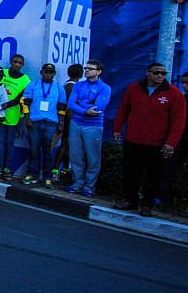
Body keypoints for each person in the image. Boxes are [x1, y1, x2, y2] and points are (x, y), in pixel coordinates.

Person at [113, 63, 185, 216]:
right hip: (133, 140)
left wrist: (171, 144)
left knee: (154, 176)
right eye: (156, 72)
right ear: (147, 73)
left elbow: (178, 121)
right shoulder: (133, 88)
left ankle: (147, 205)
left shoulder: (174, 93)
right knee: (131, 172)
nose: (160, 76)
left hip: (157, 143)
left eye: (163, 73)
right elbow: (124, 109)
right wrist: (117, 129)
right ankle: (130, 200)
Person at [65, 59, 111, 197]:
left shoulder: (105, 88)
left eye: (90, 69)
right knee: (75, 155)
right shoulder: (78, 85)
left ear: (99, 71)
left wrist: (80, 103)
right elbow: (71, 104)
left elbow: (98, 107)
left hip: (93, 125)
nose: (87, 71)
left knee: (93, 157)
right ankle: (78, 182)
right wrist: (85, 109)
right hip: (76, 123)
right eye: (86, 68)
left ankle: (90, 185)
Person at [21, 63, 67, 186]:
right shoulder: (33, 85)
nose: (48, 74)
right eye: (46, 72)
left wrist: (61, 123)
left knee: (48, 152)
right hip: (34, 123)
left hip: (51, 124)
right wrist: (27, 120)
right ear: (41, 72)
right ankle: (32, 174)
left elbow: (62, 107)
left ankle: (47, 177)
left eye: (51, 72)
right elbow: (25, 103)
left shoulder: (59, 88)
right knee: (34, 150)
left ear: (54, 74)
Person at [0, 55, 30, 179]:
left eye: (20, 63)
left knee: (9, 142)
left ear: (22, 65)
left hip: (13, 114)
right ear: (10, 62)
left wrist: (7, 104)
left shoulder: (25, 79)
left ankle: (7, 168)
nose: (17, 64)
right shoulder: (2, 72)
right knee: (0, 141)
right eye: (15, 62)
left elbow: (21, 97)